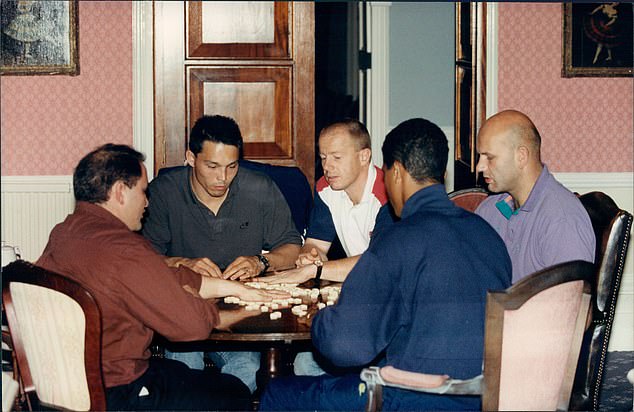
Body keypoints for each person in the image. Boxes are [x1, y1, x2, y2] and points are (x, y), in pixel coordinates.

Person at [260, 118, 512, 411]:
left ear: (395, 173)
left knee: (278, 393)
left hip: (414, 399)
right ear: (441, 173)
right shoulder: (487, 234)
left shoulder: (397, 240)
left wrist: (319, 320)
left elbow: (344, 347)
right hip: (485, 399)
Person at [35, 144, 288, 410]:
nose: (147, 202)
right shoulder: (124, 248)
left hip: (63, 384)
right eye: (144, 191)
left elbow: (157, 277)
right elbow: (191, 326)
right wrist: (199, 303)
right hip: (116, 392)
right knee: (232, 392)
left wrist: (232, 289)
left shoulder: (65, 233)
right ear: (121, 192)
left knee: (178, 371)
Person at [141, 114, 302, 393]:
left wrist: (261, 261)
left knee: (246, 368)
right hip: (185, 312)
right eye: (212, 166)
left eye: (231, 166)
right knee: (182, 370)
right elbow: (143, 260)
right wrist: (182, 262)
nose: (222, 178)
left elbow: (292, 247)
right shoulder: (164, 192)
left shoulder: (260, 188)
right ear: (191, 157)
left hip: (240, 319)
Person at [260, 119, 394, 376]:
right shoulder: (326, 188)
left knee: (309, 363)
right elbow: (315, 246)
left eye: (336, 157)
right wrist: (309, 257)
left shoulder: (388, 195)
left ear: (364, 156)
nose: (327, 167)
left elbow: (376, 264)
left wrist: (314, 271)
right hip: (356, 297)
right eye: (323, 157)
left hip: (387, 304)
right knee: (303, 363)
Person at [474, 109, 595, 283]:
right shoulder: (489, 211)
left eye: (489, 157)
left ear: (521, 156)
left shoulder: (562, 219)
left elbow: (569, 304)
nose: (479, 166)